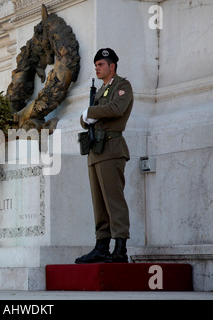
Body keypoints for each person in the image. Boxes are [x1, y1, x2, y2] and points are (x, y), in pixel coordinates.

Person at [75, 48, 134, 264]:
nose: (97, 68)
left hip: (111, 148)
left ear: (112, 66)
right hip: (95, 149)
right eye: (96, 65)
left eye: (101, 64)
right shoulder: (100, 91)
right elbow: (87, 117)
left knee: (113, 201)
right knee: (99, 203)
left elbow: (116, 109)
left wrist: (89, 113)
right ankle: (101, 246)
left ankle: (120, 250)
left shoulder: (122, 86)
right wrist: (86, 117)